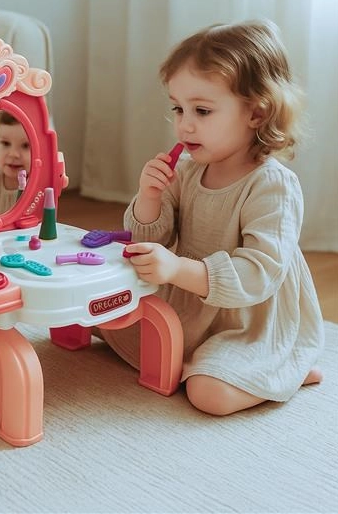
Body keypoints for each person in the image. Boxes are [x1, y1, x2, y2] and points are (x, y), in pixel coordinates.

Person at [102, 20, 324, 416]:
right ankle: (202, 362)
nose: (184, 124)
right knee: (97, 314)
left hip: (248, 321)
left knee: (209, 394)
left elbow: (257, 274)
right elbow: (149, 240)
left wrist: (176, 269)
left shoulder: (273, 185)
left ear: (257, 113)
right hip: (189, 304)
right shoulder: (187, 169)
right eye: (178, 108)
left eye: (202, 110)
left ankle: (284, 369)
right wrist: (149, 197)